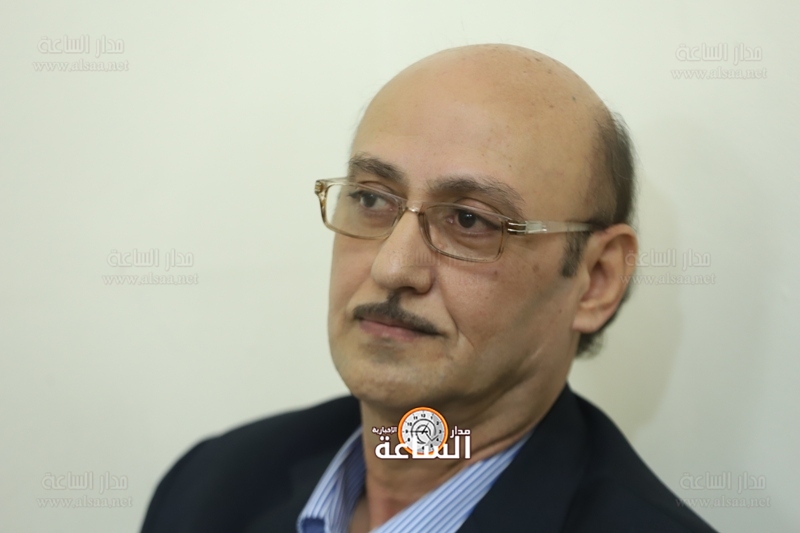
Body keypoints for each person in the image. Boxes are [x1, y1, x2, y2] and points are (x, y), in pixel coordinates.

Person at [141, 44, 718, 532]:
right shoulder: (210, 488)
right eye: (371, 198)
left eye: (470, 219)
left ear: (596, 281)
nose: (392, 267)